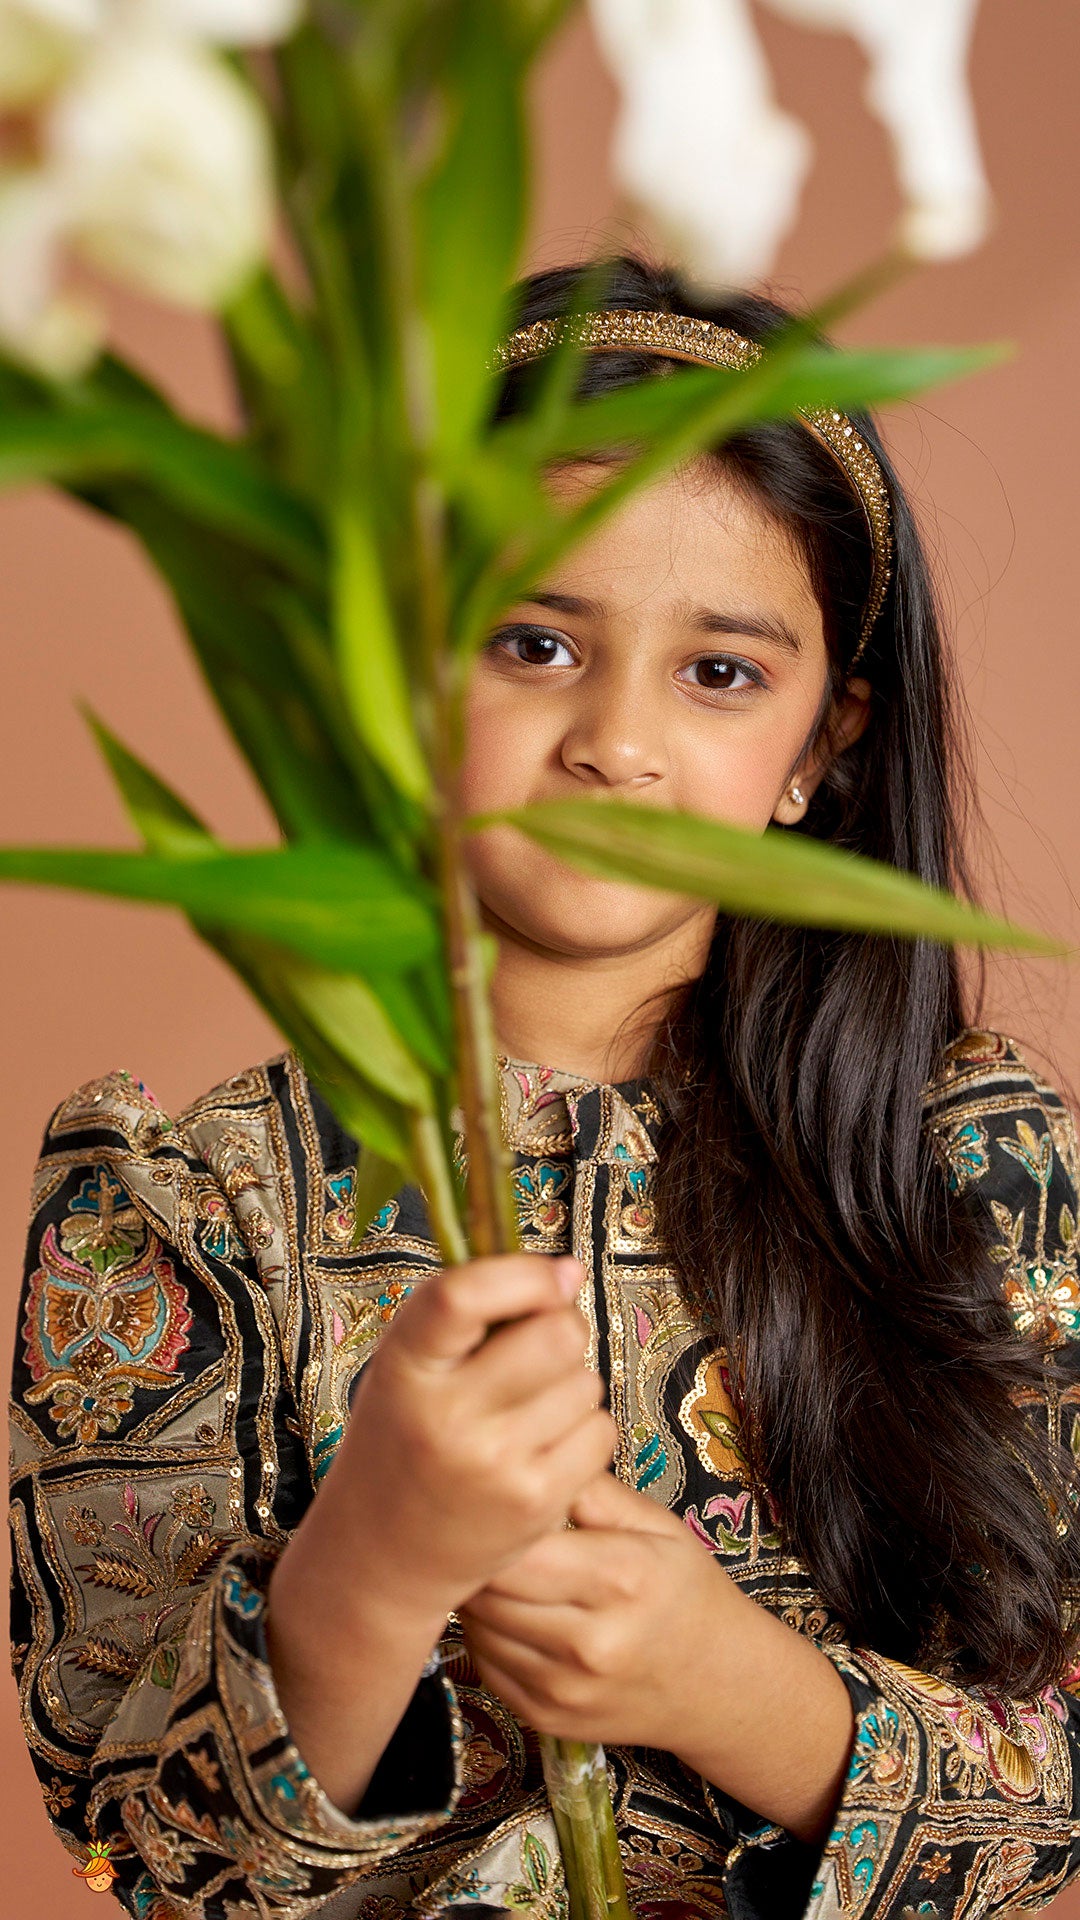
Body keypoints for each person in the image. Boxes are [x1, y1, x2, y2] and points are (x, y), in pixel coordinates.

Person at [11, 252, 1080, 1920]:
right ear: (395, 681)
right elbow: (139, 1846)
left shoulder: (970, 1169)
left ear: (821, 749)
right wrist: (372, 1562)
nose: (616, 745)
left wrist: (729, 1688)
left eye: (719, 672)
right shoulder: (185, 1202)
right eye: (532, 642)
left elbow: (1060, 1779)